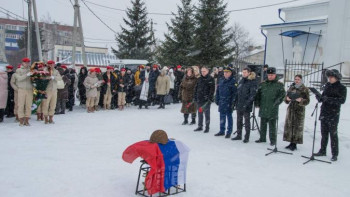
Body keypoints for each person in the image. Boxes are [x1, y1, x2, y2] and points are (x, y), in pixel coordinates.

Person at [314, 69, 347, 161]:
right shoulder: (327, 86)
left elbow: (342, 100)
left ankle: (334, 153)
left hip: (333, 114)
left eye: (331, 77)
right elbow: (323, 98)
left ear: (336, 77)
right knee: (324, 134)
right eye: (329, 77)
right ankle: (322, 150)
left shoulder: (342, 88)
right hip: (324, 112)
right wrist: (319, 97)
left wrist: (328, 99)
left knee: (333, 135)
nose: (329, 79)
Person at [255, 67, 285, 145]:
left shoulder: (279, 85)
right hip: (263, 106)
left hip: (273, 108)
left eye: (272, 75)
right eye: (269, 75)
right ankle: (262, 138)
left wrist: (277, 102)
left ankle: (273, 140)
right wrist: (257, 103)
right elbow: (258, 95)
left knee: (272, 125)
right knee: (263, 124)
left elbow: (282, 95)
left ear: (275, 75)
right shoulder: (263, 84)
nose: (270, 76)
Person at [283, 75, 310, 151]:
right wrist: (287, 99)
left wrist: (300, 100)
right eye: (295, 79)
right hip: (291, 109)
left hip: (299, 109)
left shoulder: (304, 89)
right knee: (290, 126)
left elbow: (307, 101)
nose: (296, 81)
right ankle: (290, 142)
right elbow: (286, 98)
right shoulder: (292, 87)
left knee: (297, 127)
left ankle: (294, 143)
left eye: (298, 79)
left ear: (301, 80)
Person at [232, 67, 258, 143]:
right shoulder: (241, 81)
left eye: (245, 72)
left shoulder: (252, 82)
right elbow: (237, 92)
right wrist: (234, 102)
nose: (243, 74)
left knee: (247, 121)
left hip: (246, 105)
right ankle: (239, 135)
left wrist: (246, 104)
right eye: (243, 72)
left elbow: (252, 95)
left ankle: (247, 137)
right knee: (239, 120)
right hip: (239, 104)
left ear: (249, 73)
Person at [214, 67, 237, 138]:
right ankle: (222, 130)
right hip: (222, 101)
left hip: (229, 102)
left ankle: (229, 131)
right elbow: (218, 91)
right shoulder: (221, 80)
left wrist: (233, 102)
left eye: (227, 72)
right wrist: (216, 99)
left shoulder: (233, 81)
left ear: (230, 73)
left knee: (229, 117)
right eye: (225, 72)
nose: (225, 73)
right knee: (222, 116)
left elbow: (235, 93)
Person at [194, 66, 215, 133]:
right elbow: (196, 88)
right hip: (199, 98)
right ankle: (200, 126)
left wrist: (209, 98)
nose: (203, 72)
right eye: (202, 71)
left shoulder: (210, 79)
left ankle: (207, 127)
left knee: (207, 114)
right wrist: (195, 96)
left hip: (206, 100)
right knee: (200, 113)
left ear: (207, 71)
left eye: (204, 71)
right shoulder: (199, 79)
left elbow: (212, 90)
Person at [42, 60, 62, 124]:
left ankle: (51, 117)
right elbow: (42, 78)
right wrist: (48, 77)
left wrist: (54, 77)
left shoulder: (56, 71)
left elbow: (60, 78)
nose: (51, 65)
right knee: (46, 104)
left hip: (54, 89)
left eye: (52, 64)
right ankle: (45, 117)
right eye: (49, 64)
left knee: (53, 104)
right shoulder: (45, 70)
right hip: (47, 90)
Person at [15, 57, 33, 126]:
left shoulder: (31, 70)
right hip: (21, 89)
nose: (27, 64)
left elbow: (34, 80)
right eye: (25, 62)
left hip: (29, 89)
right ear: (22, 63)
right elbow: (19, 78)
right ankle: (21, 120)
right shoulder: (18, 70)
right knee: (21, 105)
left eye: (28, 62)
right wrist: (27, 75)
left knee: (28, 105)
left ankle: (27, 120)